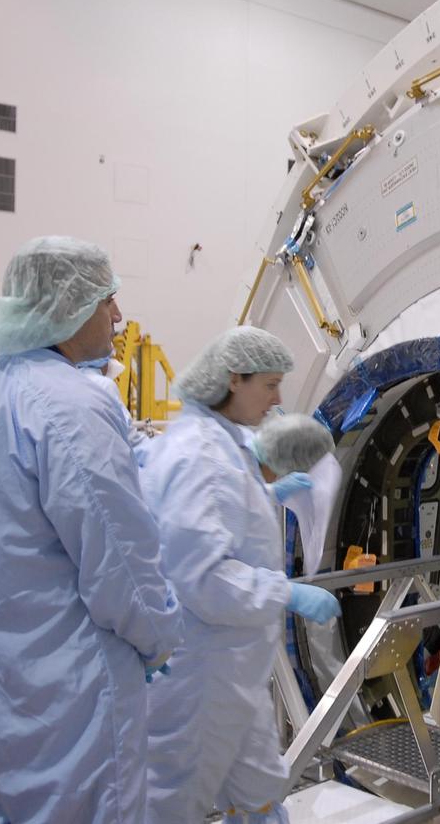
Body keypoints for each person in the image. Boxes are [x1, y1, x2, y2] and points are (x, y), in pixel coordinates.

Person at [0, 236, 183, 823]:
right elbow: (119, 558)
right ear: (68, 307)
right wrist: (158, 636)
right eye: (106, 299)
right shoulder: (69, 404)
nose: (118, 315)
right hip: (69, 693)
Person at [140, 326, 342, 824]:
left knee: (259, 788)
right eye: (270, 385)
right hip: (202, 672)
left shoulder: (218, 444)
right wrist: (285, 593)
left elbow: (215, 518)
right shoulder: (203, 456)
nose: (277, 400)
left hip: (234, 669)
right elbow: (204, 579)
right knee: (174, 801)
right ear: (234, 379)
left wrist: (265, 494)